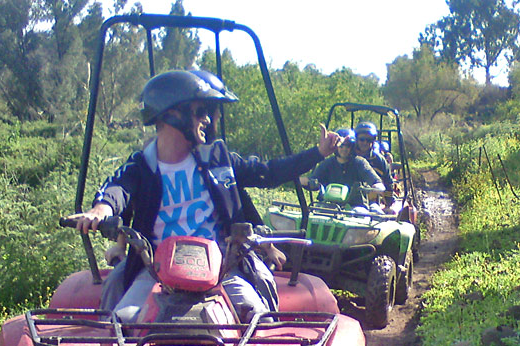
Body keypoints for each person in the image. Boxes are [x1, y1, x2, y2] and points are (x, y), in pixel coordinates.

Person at [73, 70, 340, 323]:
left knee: (258, 319)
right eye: (200, 112)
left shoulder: (217, 159)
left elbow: (267, 172)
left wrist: (317, 153)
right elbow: (117, 189)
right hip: (155, 270)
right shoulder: (142, 166)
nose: (208, 120)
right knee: (123, 321)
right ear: (171, 115)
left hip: (222, 268)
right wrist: (101, 210)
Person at [303, 128, 385, 214]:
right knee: (317, 213)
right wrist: (302, 180)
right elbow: (313, 180)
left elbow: (373, 178)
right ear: (335, 147)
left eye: (348, 146)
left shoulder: (360, 163)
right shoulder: (327, 163)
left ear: (353, 147)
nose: (344, 149)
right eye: (341, 146)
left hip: (355, 206)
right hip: (328, 205)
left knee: (360, 214)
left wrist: (377, 185)